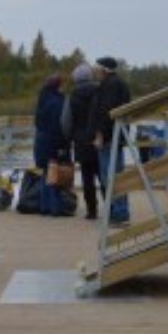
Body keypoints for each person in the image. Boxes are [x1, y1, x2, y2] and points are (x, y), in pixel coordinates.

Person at [89, 56, 131, 224]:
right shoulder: (115, 84)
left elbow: (107, 112)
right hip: (113, 136)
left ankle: (120, 213)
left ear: (104, 70)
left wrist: (100, 134)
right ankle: (116, 210)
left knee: (111, 176)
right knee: (112, 175)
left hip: (109, 138)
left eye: (96, 69)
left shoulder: (110, 86)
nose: (95, 72)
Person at [65, 62, 99, 219]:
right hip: (99, 138)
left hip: (81, 141)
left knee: (87, 178)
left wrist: (70, 137)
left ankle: (91, 211)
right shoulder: (99, 91)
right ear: (90, 76)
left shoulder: (72, 96)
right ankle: (112, 209)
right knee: (104, 174)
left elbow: (66, 121)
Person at [33, 73, 70, 217]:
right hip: (52, 142)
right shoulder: (57, 102)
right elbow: (57, 126)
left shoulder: (42, 99)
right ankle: (55, 208)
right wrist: (61, 145)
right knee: (55, 174)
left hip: (41, 142)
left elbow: (38, 123)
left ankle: (44, 206)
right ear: (58, 86)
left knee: (45, 174)